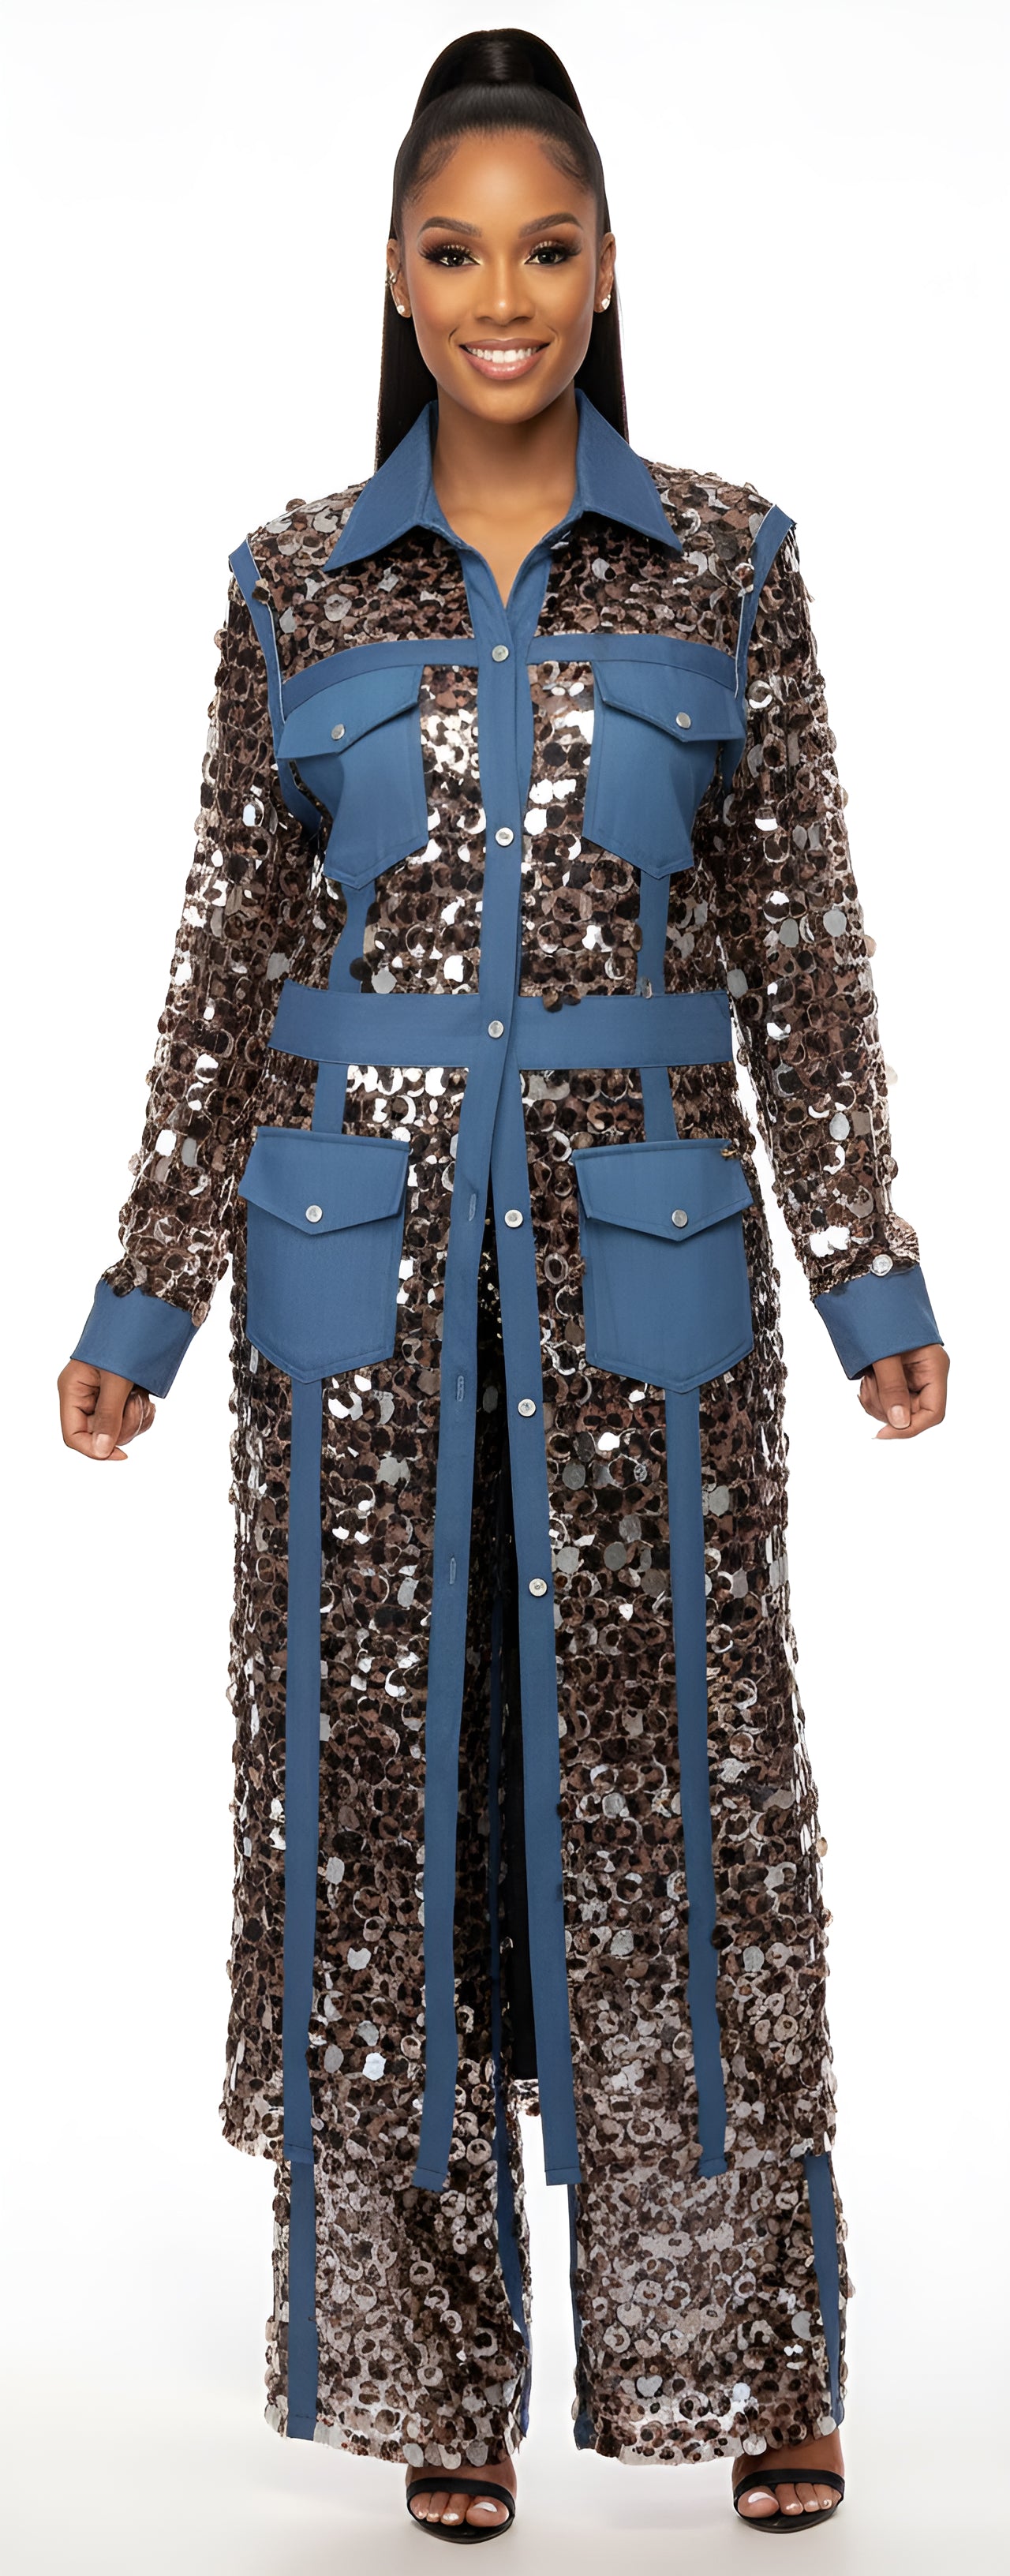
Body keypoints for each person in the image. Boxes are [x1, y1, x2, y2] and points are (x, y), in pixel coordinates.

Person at [58, 25, 948, 2547]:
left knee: (689, 1808)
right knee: (386, 1820)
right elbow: (226, 966)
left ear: (609, 266)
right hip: (349, 1307)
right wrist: (146, 1297)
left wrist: (865, 1262)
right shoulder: (286, 586)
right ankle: (435, 2374)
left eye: (546, 250)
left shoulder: (733, 567)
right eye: (455, 253)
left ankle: (755, 2361)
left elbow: (804, 940)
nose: (503, 299)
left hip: (646, 1292)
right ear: (395, 274)